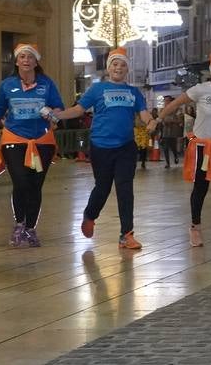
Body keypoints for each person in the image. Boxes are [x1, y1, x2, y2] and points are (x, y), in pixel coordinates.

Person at [52, 47, 152, 250]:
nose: (119, 67)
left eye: (123, 64)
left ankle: (127, 234)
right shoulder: (97, 90)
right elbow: (79, 109)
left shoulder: (134, 92)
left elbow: (144, 114)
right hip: (101, 147)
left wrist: (150, 122)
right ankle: (90, 215)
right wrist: (58, 115)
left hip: (126, 147)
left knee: (125, 188)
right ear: (108, 68)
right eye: (115, 64)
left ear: (127, 70)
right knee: (103, 187)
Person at [154, 51, 211, 248]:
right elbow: (176, 104)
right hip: (203, 147)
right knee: (201, 187)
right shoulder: (200, 90)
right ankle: (195, 228)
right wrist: (158, 118)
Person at [0, 43, 64, 247]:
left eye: (30, 57)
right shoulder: (7, 85)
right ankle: (19, 224)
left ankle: (31, 228)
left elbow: (59, 109)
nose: (26, 60)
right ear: (16, 61)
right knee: (21, 182)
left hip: (42, 142)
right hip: (14, 140)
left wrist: (51, 114)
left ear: (35, 61)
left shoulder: (46, 84)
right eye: (22, 57)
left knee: (35, 185)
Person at [159, 99, 183, 169]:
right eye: (165, 102)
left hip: (173, 132)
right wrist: (163, 123)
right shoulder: (162, 110)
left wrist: (172, 121)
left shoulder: (176, 110)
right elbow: (160, 119)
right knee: (165, 147)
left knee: (173, 147)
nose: (166, 103)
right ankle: (167, 163)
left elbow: (180, 121)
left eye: (168, 102)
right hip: (165, 132)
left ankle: (176, 156)